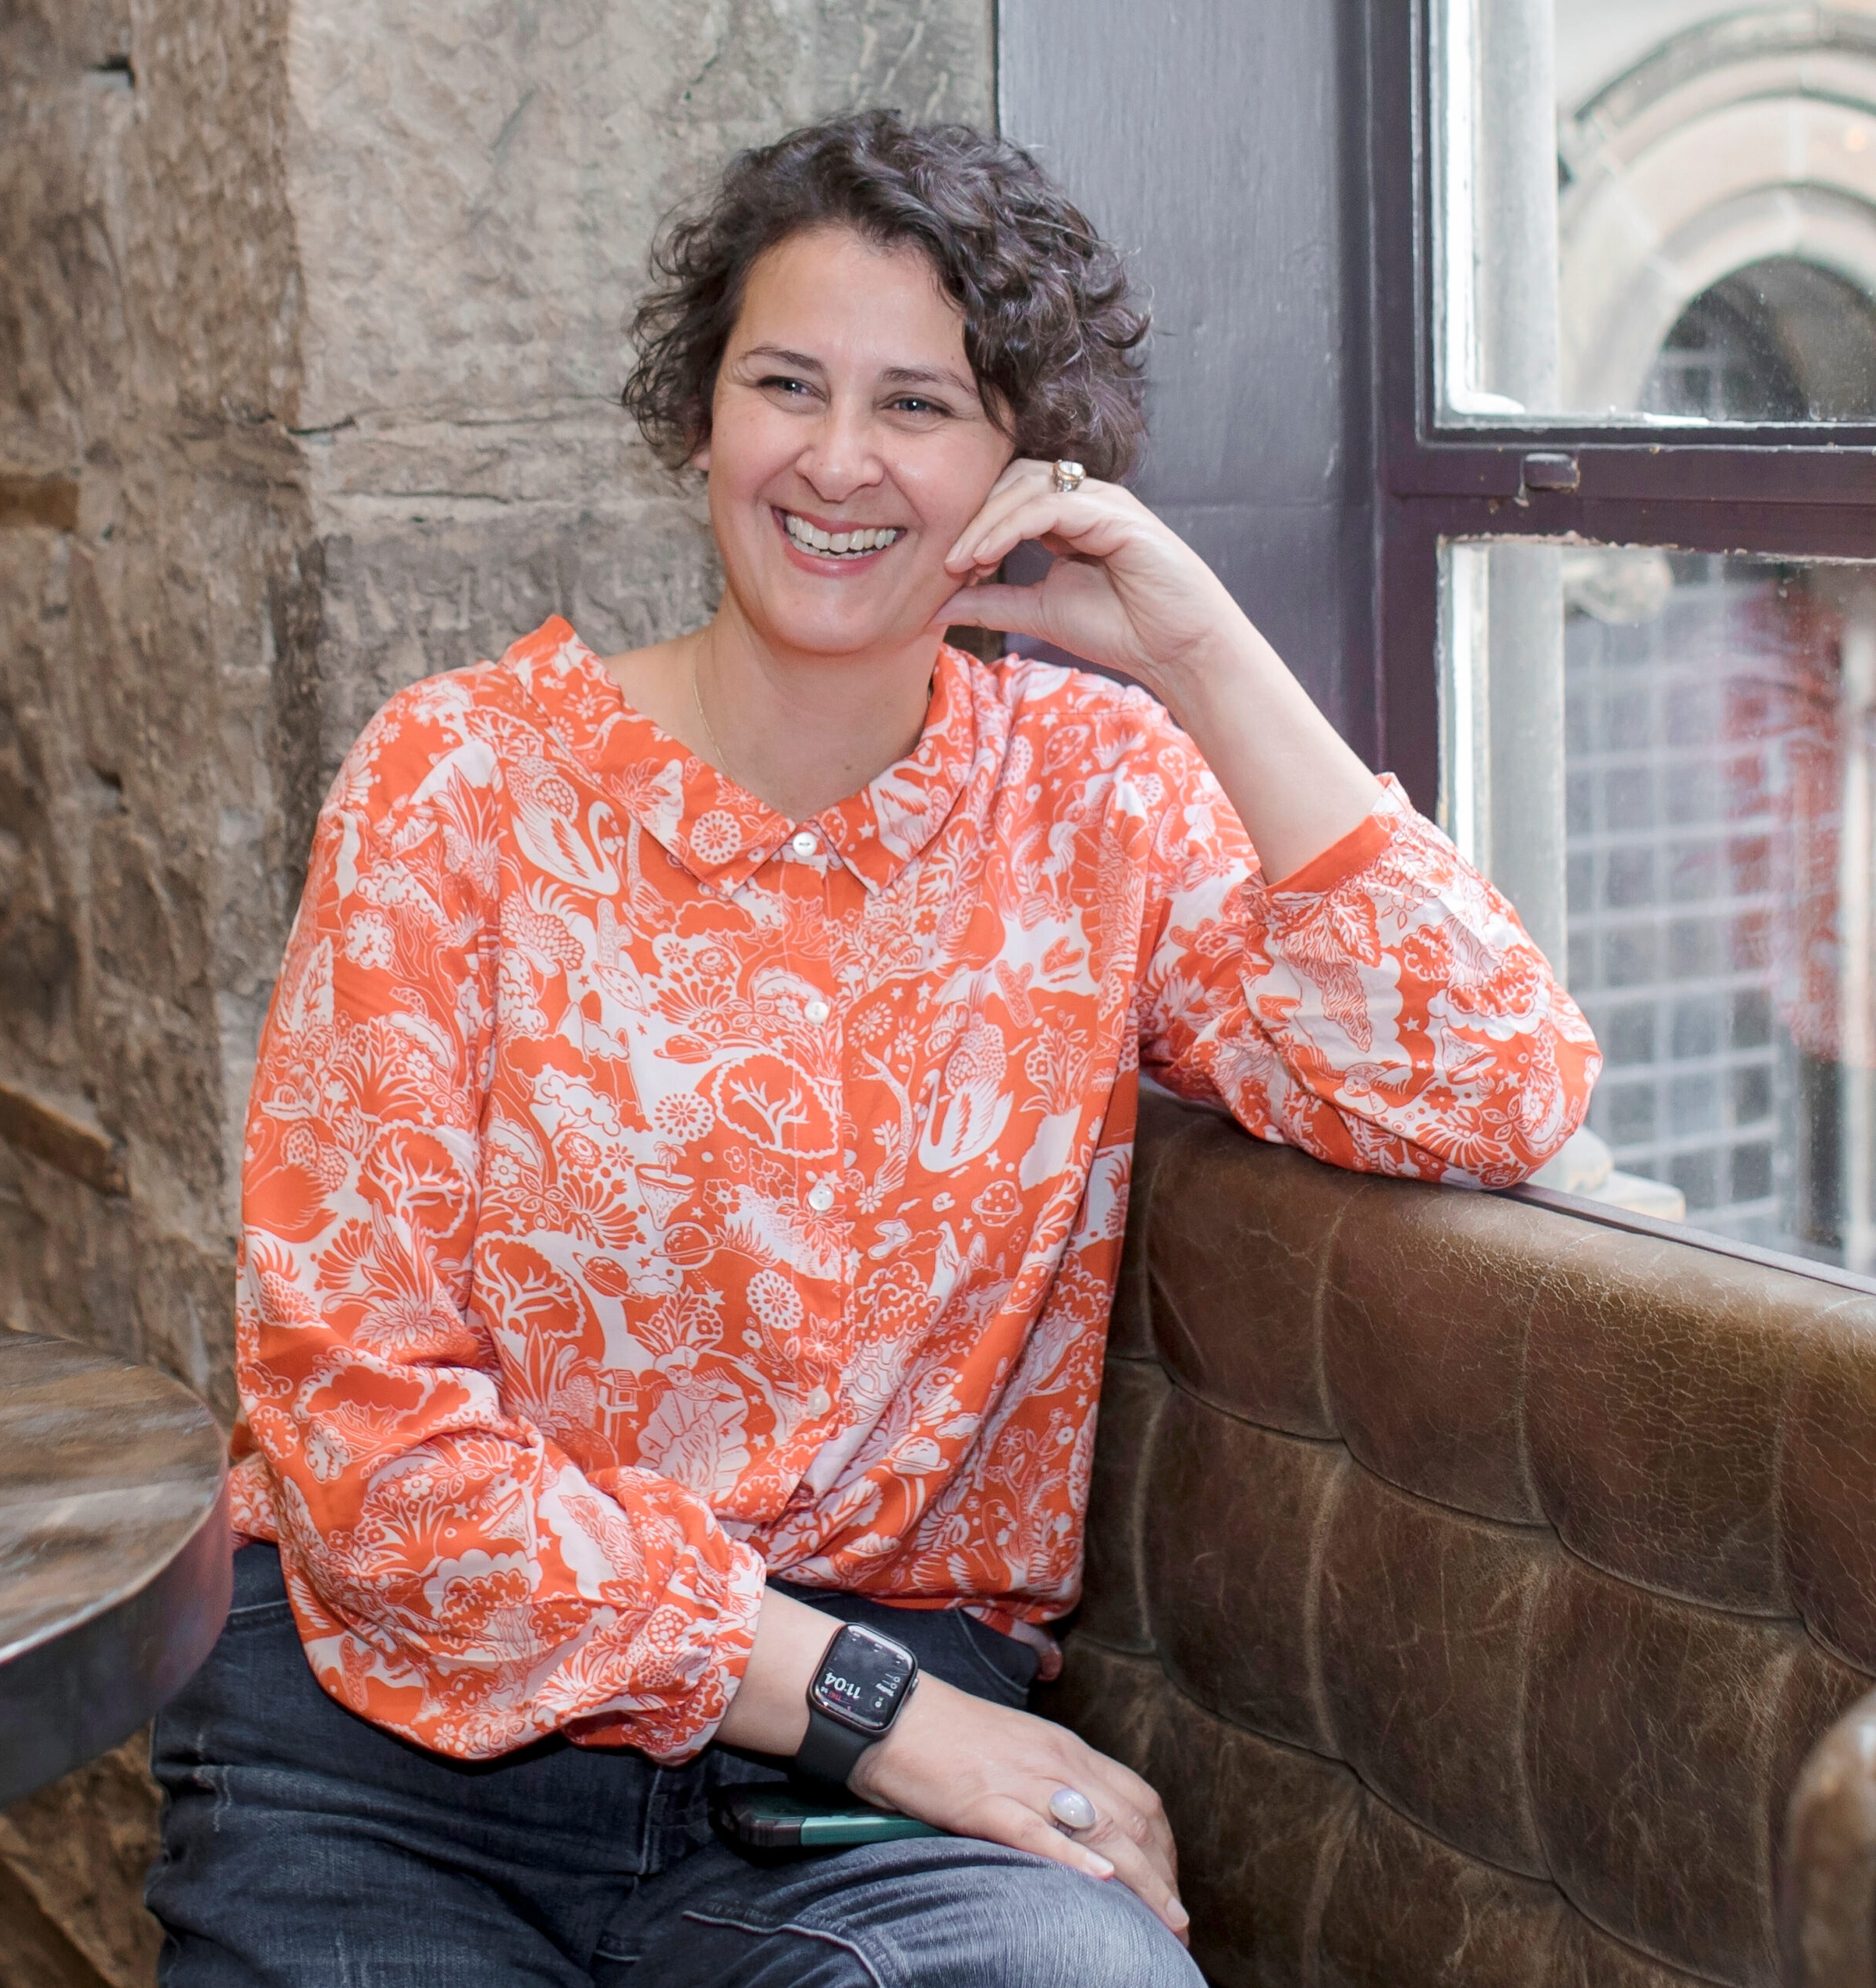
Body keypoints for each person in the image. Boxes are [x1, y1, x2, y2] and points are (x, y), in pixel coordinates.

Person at [148, 109, 1599, 1986]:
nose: (839, 461)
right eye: (786, 384)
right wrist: (873, 1704)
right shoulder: (459, 783)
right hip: (405, 1739)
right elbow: (361, 1438)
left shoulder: (1095, 795)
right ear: (697, 417)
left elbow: (1489, 1077)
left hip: (861, 1827)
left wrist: (1197, 642)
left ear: (1021, 461)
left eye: (920, 403)